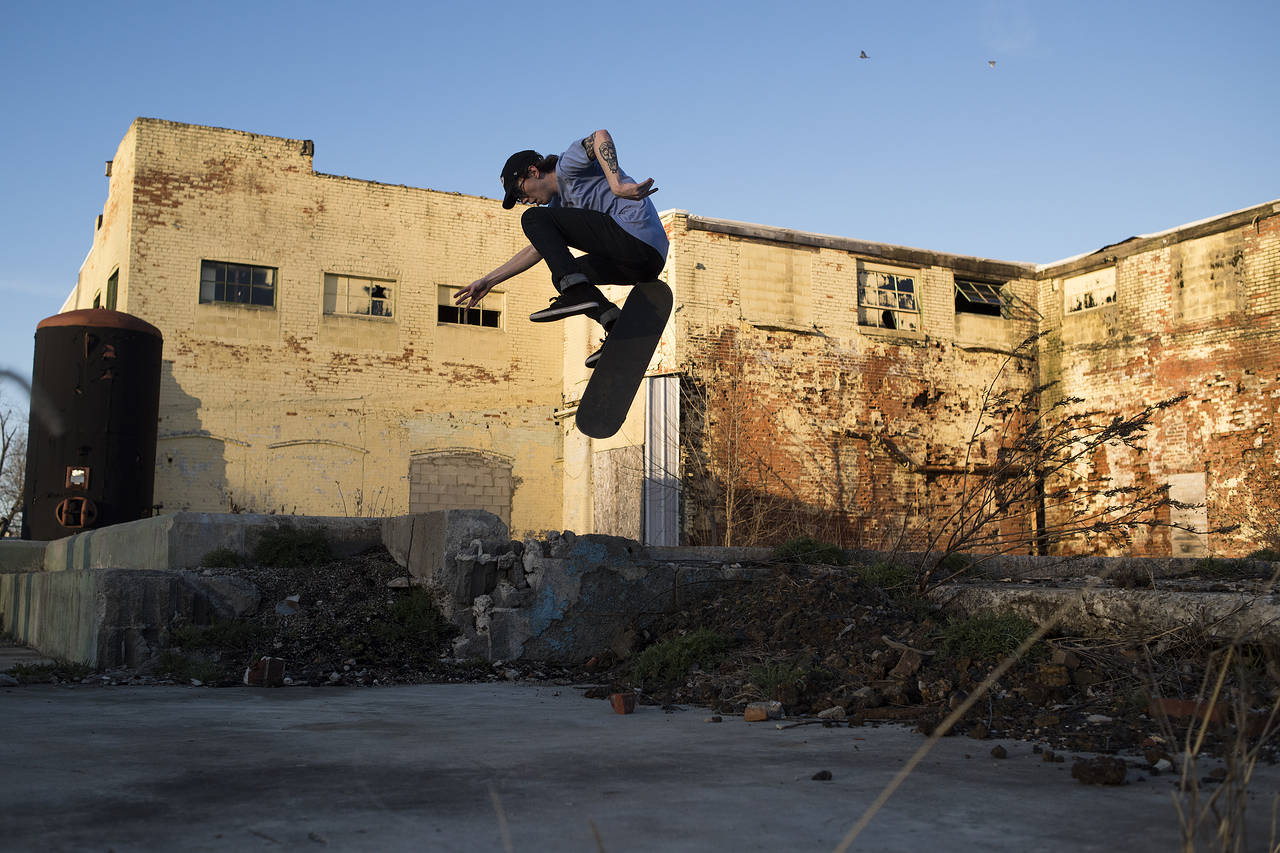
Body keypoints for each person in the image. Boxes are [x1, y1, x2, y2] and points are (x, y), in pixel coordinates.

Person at [453, 129, 667, 367]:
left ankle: (576, 293)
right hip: (643, 264)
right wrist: (489, 281)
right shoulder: (558, 206)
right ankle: (616, 325)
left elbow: (600, 136)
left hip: (636, 236)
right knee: (566, 275)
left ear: (534, 172)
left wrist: (616, 184)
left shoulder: (568, 165)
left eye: (519, 191)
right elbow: (536, 250)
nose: (524, 200)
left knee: (535, 223)